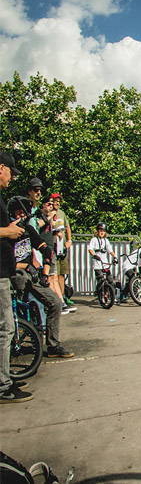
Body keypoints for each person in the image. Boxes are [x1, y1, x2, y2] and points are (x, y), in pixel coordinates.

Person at [7, 197, 74, 359]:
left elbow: (46, 250)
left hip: (32, 274)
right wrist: (24, 266)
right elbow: (6, 262)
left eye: (24, 213)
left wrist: (45, 271)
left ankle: (53, 345)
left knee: (55, 302)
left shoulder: (28, 230)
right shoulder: (7, 233)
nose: (21, 216)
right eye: (18, 212)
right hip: (13, 275)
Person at [0, 152, 32, 403]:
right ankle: (3, 385)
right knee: (6, 328)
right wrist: (8, 231)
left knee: (7, 327)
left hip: (4, 271)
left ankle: (5, 376)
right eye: (11, 172)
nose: (12, 178)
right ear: (2, 168)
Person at [88, 222, 115, 291]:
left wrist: (115, 257)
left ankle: (110, 295)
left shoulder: (106, 241)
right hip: (97, 263)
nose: (102, 232)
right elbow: (90, 249)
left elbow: (110, 250)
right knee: (100, 279)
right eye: (100, 231)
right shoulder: (94, 240)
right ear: (97, 231)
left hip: (105, 263)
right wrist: (94, 255)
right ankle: (99, 292)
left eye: (103, 231)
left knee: (110, 279)